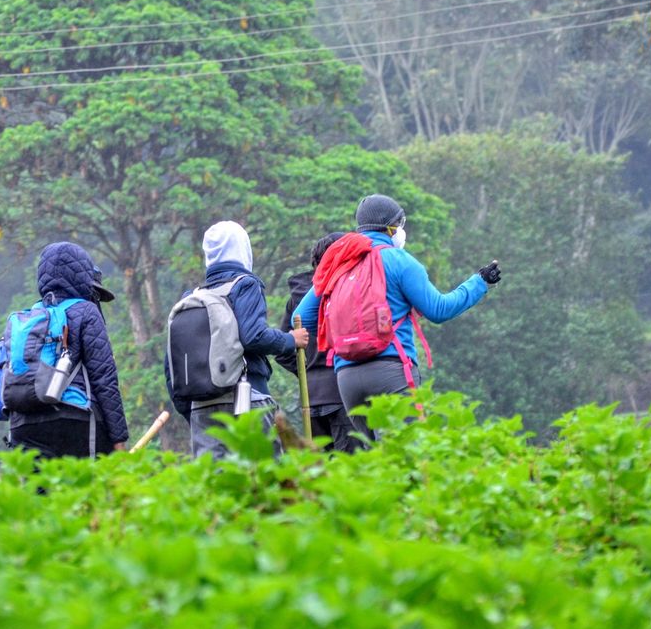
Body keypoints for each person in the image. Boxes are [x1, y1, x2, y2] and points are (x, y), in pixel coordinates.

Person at [292, 194, 499, 419]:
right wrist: (479, 282)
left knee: (371, 453)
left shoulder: (339, 263)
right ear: (391, 228)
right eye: (401, 224)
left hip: (347, 377)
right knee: (405, 451)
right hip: (391, 372)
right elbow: (439, 309)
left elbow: (301, 317)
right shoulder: (399, 260)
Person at [166, 220, 309, 458]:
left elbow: (172, 368)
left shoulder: (191, 299)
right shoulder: (245, 284)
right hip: (246, 396)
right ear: (243, 248)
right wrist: (290, 340)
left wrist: (190, 411)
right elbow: (254, 336)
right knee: (263, 478)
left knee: (217, 482)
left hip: (201, 407)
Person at [6, 242, 130, 458]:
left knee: (38, 491)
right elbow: (104, 379)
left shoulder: (24, 318)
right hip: (75, 419)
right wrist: (119, 438)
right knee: (84, 489)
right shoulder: (86, 311)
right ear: (82, 276)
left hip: (23, 425)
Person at [276, 231, 371, 452]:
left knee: (321, 470)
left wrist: (307, 371)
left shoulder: (298, 297)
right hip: (344, 393)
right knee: (351, 468)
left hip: (311, 397)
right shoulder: (347, 288)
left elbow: (282, 350)